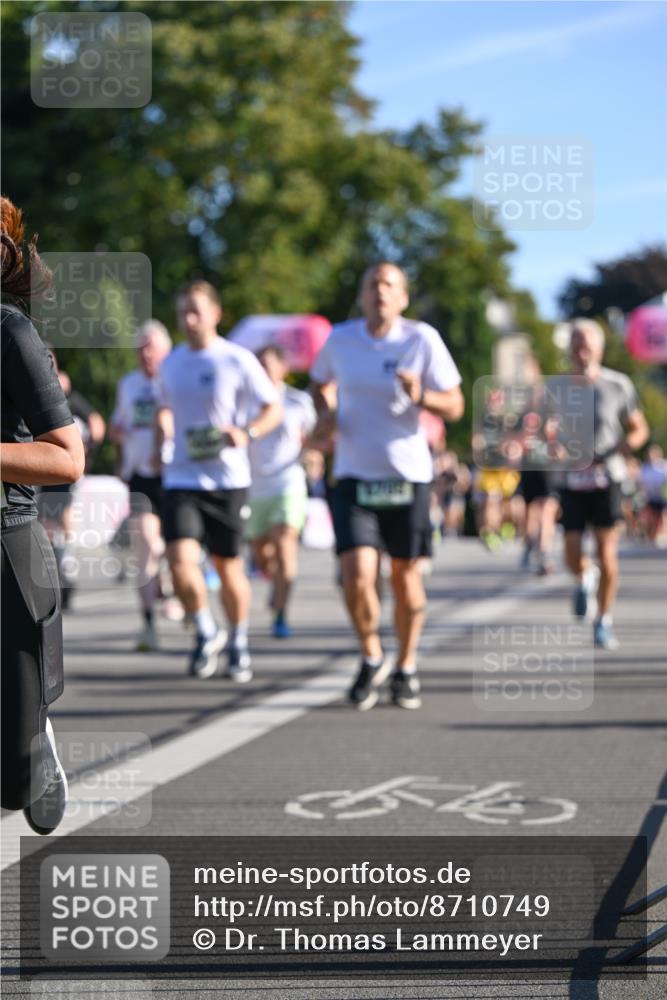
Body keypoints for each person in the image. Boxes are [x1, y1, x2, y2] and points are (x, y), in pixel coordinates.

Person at [309, 262, 464, 710]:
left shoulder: (421, 340)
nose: (379, 290)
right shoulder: (340, 340)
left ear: (403, 298)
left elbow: (454, 403)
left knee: (406, 582)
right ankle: (371, 653)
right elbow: (320, 381)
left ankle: (407, 665)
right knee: (356, 575)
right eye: (372, 283)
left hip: (407, 477)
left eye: (389, 285)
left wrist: (422, 397)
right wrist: (327, 407)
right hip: (355, 474)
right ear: (361, 295)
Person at [1, 195, 85, 833]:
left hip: (9, 549)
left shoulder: (10, 333)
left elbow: (67, 460)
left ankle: (36, 743)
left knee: (19, 786)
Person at [155, 280, 282, 681]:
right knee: (179, 562)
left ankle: (239, 640)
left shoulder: (237, 359)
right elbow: (163, 409)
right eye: (182, 313)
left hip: (227, 479)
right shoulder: (172, 363)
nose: (188, 320)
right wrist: (162, 440)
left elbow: (272, 408)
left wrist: (248, 433)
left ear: (215, 314)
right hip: (182, 477)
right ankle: (206, 629)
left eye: (195, 311)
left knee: (229, 569)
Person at [549, 319, 649, 649]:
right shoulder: (556, 387)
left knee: (608, 554)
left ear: (599, 349)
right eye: (576, 342)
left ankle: (603, 620)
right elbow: (540, 428)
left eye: (588, 343)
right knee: (571, 552)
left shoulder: (617, 384)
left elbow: (639, 429)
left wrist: (626, 444)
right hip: (571, 476)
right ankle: (583, 576)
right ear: (570, 349)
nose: (582, 349)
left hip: (608, 475)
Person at [109, 319, 172, 650]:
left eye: (151, 347)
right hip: (140, 475)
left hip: (177, 476)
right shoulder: (129, 384)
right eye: (140, 349)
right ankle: (149, 623)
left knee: (176, 547)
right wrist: (118, 440)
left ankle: (181, 590)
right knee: (145, 541)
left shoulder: (177, 376)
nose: (145, 354)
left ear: (166, 349)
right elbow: (117, 423)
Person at [247, 344, 316, 638]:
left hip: (288, 481)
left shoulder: (298, 401)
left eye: (267, 364)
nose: (262, 370)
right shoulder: (245, 401)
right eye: (258, 364)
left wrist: (315, 454)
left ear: (283, 368)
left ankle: (281, 612)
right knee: (261, 554)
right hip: (254, 486)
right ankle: (274, 580)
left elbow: (313, 437)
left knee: (285, 543)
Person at [38, 347, 105, 609]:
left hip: (61, 466)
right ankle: (55, 565)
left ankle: (66, 562)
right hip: (39, 463)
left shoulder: (64, 391)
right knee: (44, 519)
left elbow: (96, 422)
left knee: (60, 512)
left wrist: (88, 454)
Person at [639, 444, 667, 545]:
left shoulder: (663, 466)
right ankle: (652, 536)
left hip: (663, 496)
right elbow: (641, 482)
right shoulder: (645, 467)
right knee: (652, 517)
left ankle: (663, 534)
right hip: (650, 496)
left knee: (662, 515)